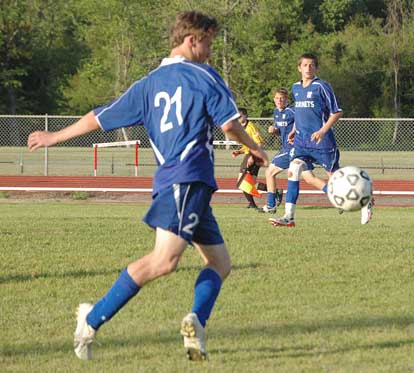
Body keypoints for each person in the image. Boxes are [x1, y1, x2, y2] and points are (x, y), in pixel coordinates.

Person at [27, 11, 268, 361]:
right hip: (184, 180)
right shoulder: (204, 76)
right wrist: (256, 148)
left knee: (220, 263)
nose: (210, 51)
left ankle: (195, 322)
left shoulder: (148, 83)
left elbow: (100, 116)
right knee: (164, 261)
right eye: (209, 42)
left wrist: (54, 137)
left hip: (190, 187)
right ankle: (90, 320)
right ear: (192, 40)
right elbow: (230, 125)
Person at [269, 53, 373, 227]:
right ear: (299, 68)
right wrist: (294, 130)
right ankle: (288, 217)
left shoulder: (322, 86)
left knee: (336, 180)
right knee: (293, 170)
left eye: (312, 65)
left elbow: (337, 111)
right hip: (302, 142)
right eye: (305, 65)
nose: (308, 68)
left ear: (316, 68)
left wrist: (322, 131)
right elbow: (301, 113)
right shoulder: (295, 88)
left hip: (322, 143)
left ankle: (365, 200)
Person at [261, 87, 335, 214]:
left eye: (282, 98)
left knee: (270, 172)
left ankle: (270, 205)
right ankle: (338, 197)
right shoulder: (276, 112)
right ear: (274, 99)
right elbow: (282, 131)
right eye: (277, 98)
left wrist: (296, 131)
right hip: (294, 148)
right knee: (310, 178)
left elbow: (302, 118)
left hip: (293, 148)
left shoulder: (292, 110)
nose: (279, 100)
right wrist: (275, 131)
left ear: (286, 99)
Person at [231, 108, 264, 209]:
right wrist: (239, 151)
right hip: (250, 155)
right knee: (251, 183)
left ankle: (253, 205)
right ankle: (275, 191)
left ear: (245, 116)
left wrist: (251, 156)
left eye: (240, 116)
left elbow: (259, 143)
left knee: (242, 182)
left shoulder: (250, 127)